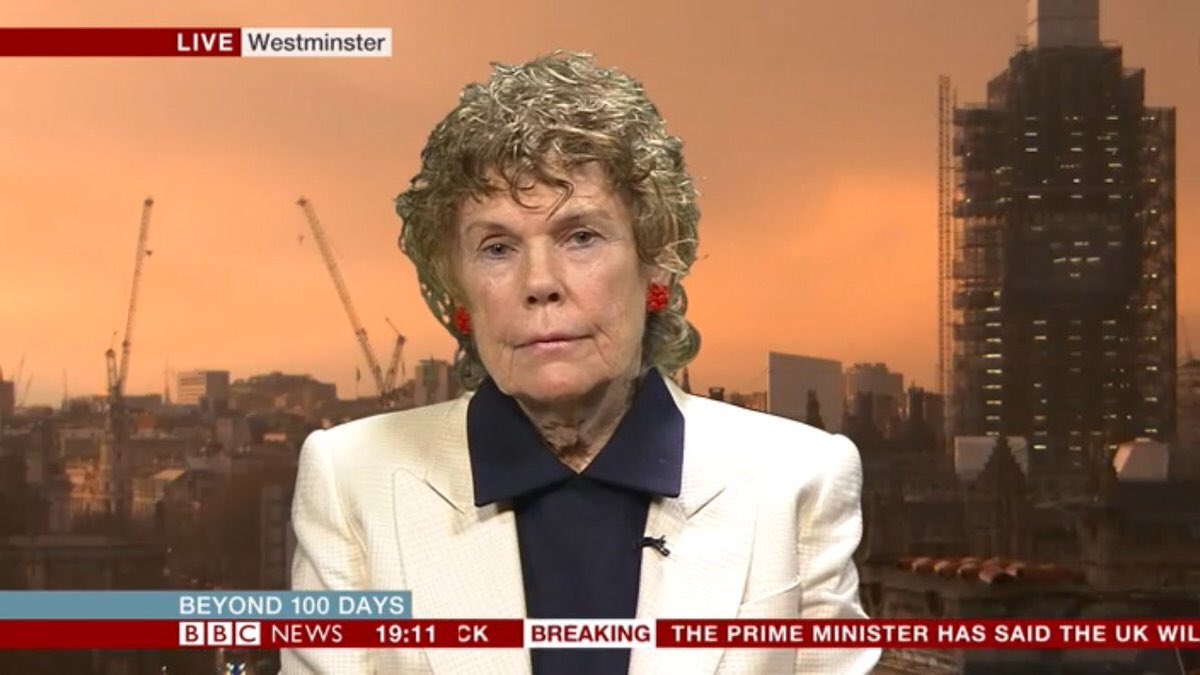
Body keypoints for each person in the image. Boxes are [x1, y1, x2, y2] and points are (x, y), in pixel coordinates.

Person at [282, 51, 879, 674]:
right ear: (457, 291)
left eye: (581, 237)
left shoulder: (799, 478)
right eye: (497, 248)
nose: (540, 283)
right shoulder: (350, 478)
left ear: (657, 265)